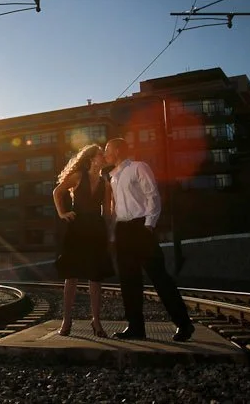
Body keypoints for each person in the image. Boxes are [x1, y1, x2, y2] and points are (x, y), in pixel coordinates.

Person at [103, 137, 195, 342]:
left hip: (140, 227)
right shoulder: (112, 177)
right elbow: (116, 209)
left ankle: (184, 324)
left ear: (118, 150)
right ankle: (136, 327)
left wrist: (148, 225)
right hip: (123, 230)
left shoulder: (138, 167)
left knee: (159, 277)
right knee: (128, 280)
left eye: (107, 149)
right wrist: (113, 233)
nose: (104, 153)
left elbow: (152, 195)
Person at [52, 144, 115, 337]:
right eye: (100, 155)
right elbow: (57, 192)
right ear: (91, 158)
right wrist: (63, 213)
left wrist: (110, 234)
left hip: (96, 230)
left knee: (95, 277)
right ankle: (66, 320)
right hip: (77, 229)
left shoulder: (105, 182)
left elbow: (108, 211)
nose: (104, 158)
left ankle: (96, 321)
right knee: (71, 276)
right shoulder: (79, 176)